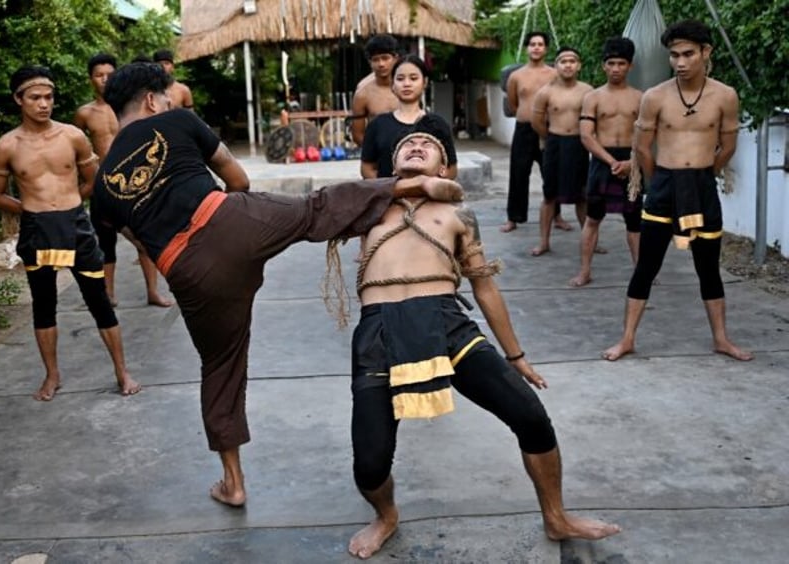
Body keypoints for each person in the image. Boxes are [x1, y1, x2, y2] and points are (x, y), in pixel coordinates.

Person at [91, 63, 465, 509]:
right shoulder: (177, 121)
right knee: (314, 209)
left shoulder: (100, 190)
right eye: (167, 97)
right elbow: (239, 180)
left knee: (221, 367)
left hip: (188, 271)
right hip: (227, 220)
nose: (170, 103)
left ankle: (232, 482)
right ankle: (409, 187)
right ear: (153, 100)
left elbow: (141, 244)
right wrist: (239, 225)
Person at [346, 126, 621, 558]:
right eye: (407, 146)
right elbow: (324, 205)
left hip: (446, 320)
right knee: (370, 461)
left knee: (530, 417)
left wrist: (517, 356)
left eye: (428, 147)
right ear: (392, 165)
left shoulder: (458, 216)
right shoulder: (368, 205)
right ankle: (386, 515)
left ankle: (556, 515)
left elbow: (484, 287)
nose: (416, 147)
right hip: (379, 329)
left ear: (444, 168)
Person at [0, 65, 140, 401]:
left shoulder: (72, 135)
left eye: (49, 97)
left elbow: (92, 180)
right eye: (35, 97)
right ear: (18, 100)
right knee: (44, 305)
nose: (44, 104)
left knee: (99, 302)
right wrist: (28, 209)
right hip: (37, 229)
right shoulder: (7, 146)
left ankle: (122, 372)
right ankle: (52, 376)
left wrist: (70, 205)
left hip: (75, 225)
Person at [603, 19, 752, 362]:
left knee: (708, 267)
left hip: (701, 185)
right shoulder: (655, 97)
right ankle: (627, 339)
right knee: (646, 266)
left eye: (688, 54)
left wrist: (704, 175)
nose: (680, 62)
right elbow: (642, 149)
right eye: (674, 55)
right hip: (664, 184)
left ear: (706, 52)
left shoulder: (725, 96)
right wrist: (660, 183)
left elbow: (727, 146)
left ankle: (721, 339)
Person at [74, 53, 172, 307]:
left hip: (134, 182)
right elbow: (77, 148)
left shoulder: (130, 106)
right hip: (102, 185)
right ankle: (108, 294)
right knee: (105, 243)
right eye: (99, 75)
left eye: (109, 74)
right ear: (90, 79)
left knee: (144, 240)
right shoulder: (84, 113)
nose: (104, 79)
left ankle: (153, 291)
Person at [570, 38, 644, 287]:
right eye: (611, 63)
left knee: (634, 221)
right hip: (603, 163)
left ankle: (641, 271)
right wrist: (614, 162)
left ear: (630, 66)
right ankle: (585, 271)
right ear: (604, 66)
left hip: (632, 163)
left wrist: (632, 163)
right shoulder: (593, 98)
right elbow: (586, 135)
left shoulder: (641, 98)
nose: (615, 68)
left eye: (621, 63)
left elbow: (648, 137)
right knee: (593, 218)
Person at [500, 32, 570, 234]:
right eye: (532, 44)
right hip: (524, 130)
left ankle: (556, 215)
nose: (536, 47)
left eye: (540, 44)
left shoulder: (555, 75)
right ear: (527, 48)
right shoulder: (516, 75)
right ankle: (514, 218)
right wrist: (527, 115)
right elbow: (513, 103)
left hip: (549, 130)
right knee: (518, 174)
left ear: (546, 48)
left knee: (552, 174)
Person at [531, 46, 593, 257]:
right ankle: (544, 241)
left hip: (579, 145)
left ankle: (590, 241)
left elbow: (595, 120)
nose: (568, 64)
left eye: (572, 61)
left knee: (583, 195)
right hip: (555, 145)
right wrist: (549, 138)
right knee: (549, 196)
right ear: (555, 65)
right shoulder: (545, 92)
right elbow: (537, 121)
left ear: (579, 65)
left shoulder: (587, 91)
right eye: (563, 61)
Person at [360, 54, 457, 180]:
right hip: (389, 198)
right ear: (392, 85)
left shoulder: (438, 124)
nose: (407, 84)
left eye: (413, 78)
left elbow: (452, 170)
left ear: (425, 82)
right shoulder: (377, 125)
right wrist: (391, 190)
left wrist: (426, 189)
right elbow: (366, 169)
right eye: (400, 79)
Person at [350, 35, 401, 146]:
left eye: (385, 58)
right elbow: (358, 135)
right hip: (378, 154)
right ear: (370, 62)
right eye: (376, 60)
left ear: (395, 59)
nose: (381, 64)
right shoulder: (362, 93)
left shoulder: (407, 86)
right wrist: (375, 154)